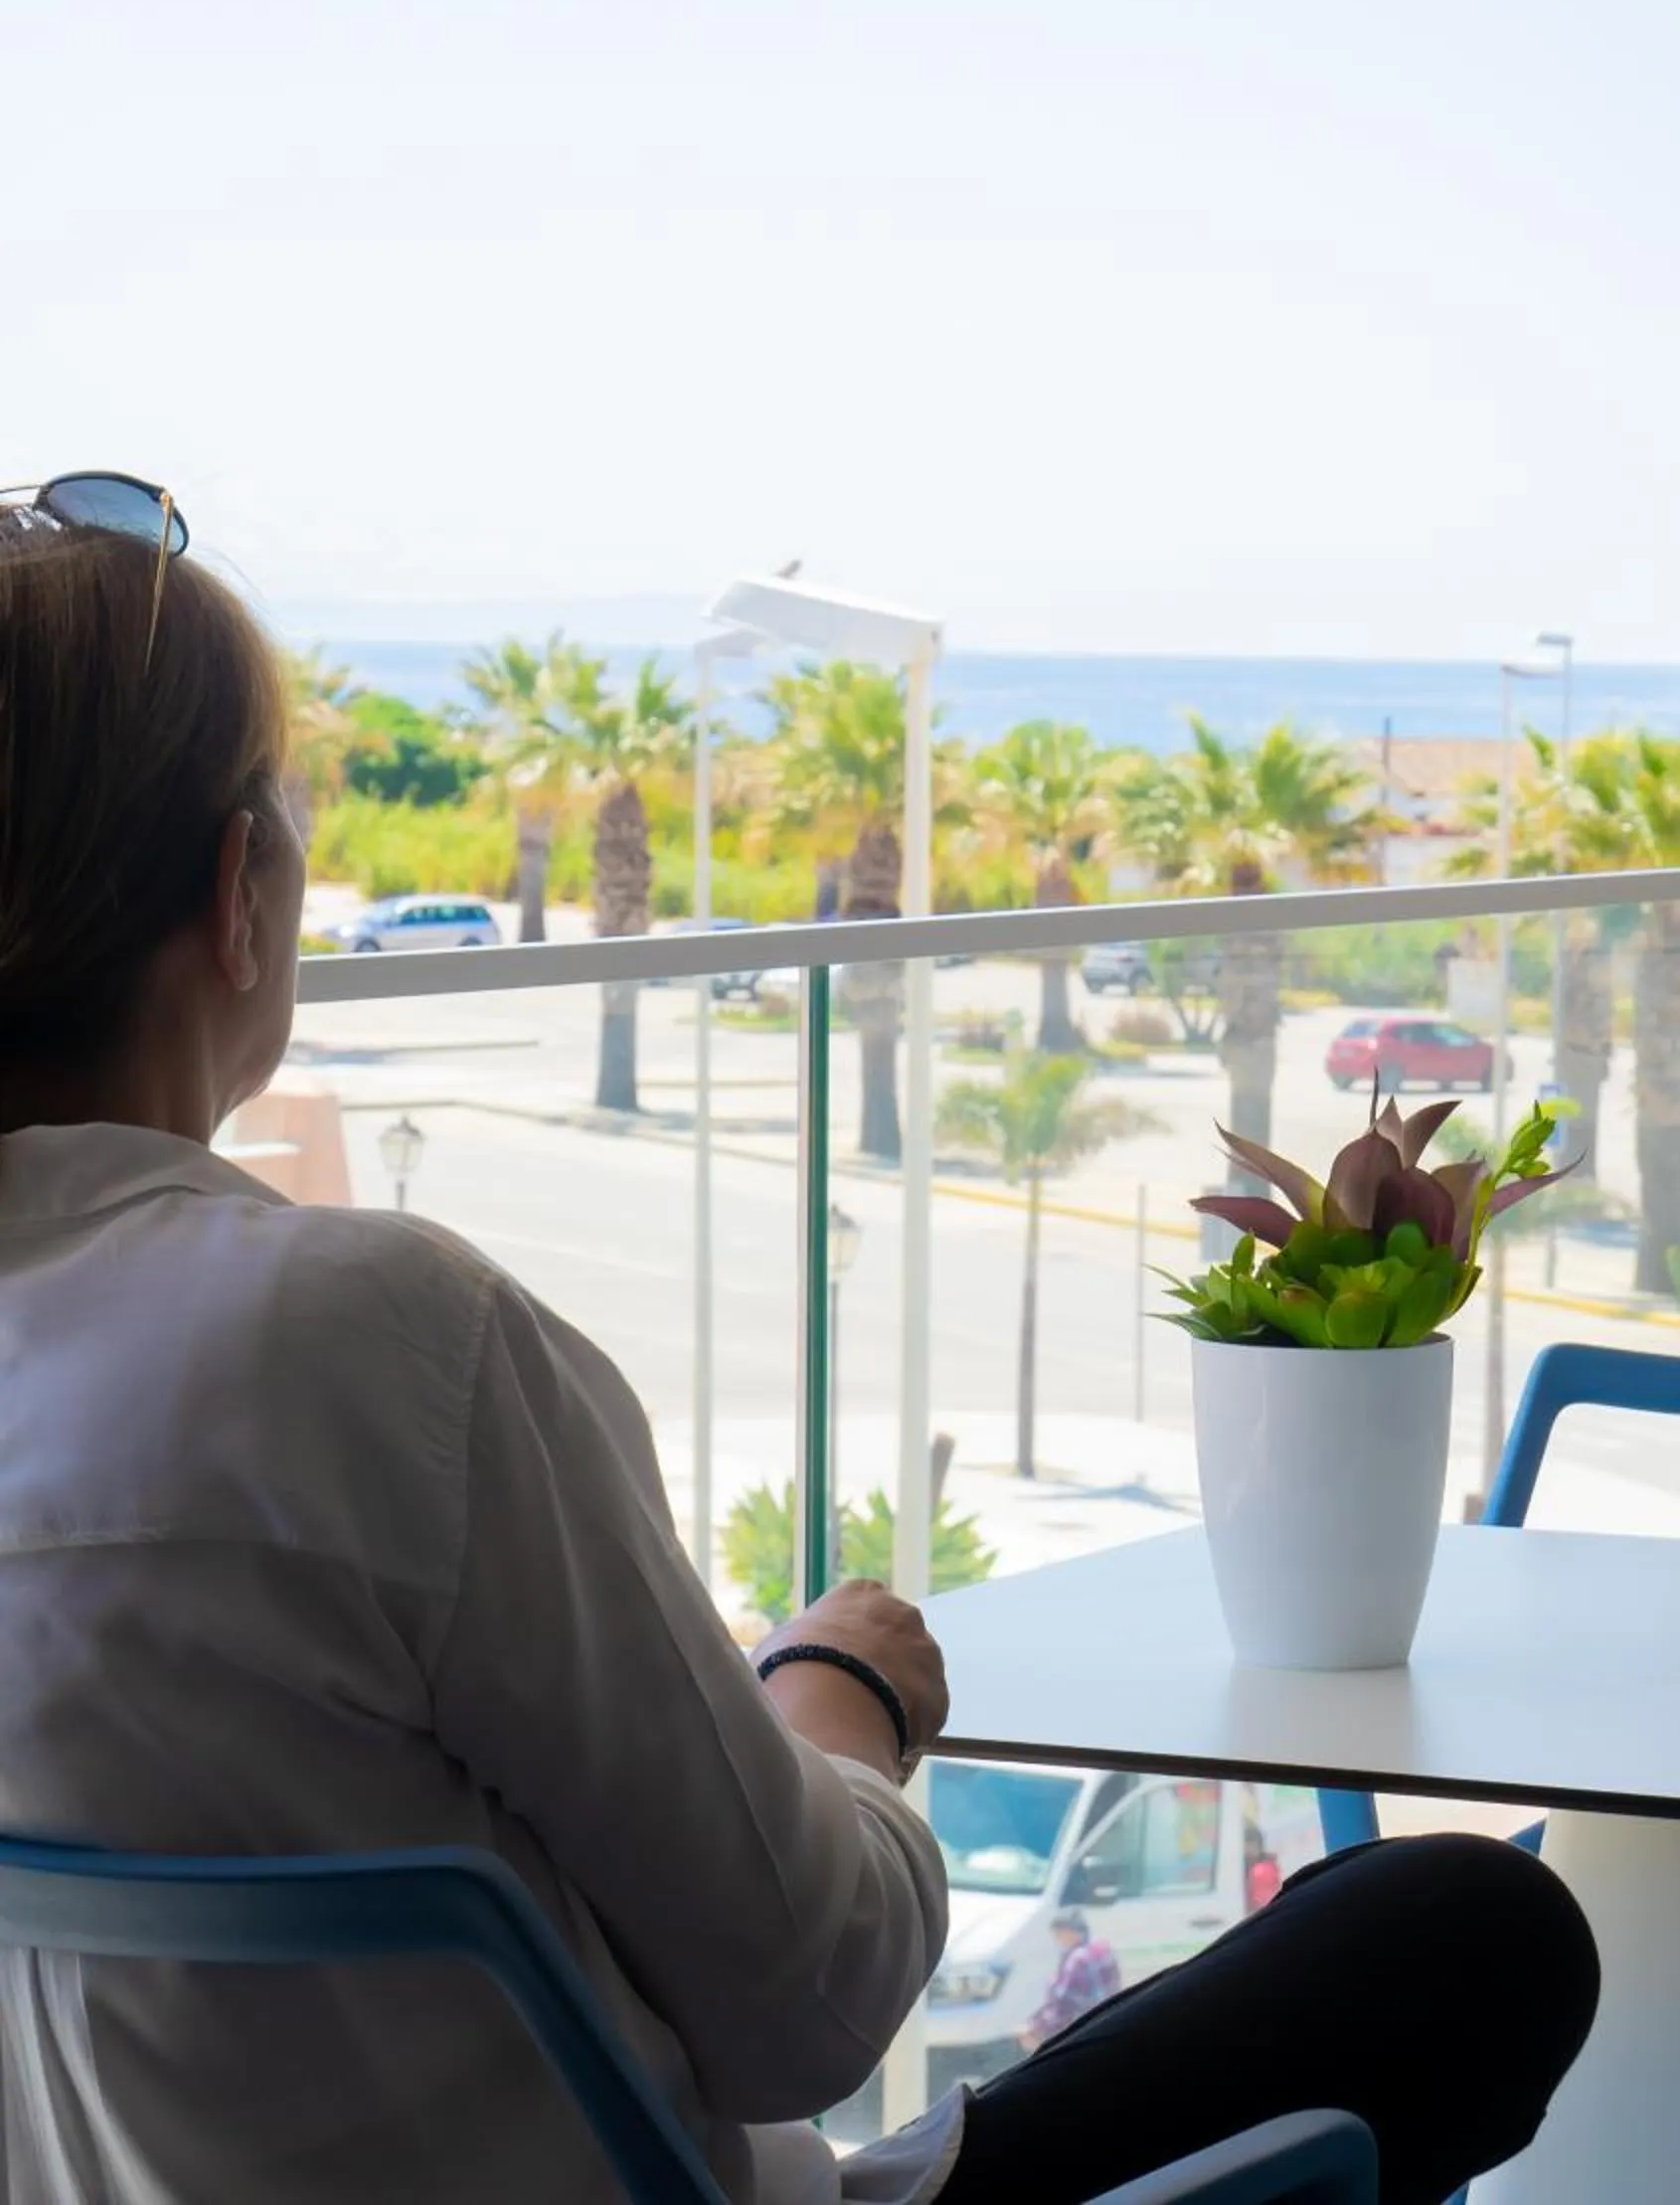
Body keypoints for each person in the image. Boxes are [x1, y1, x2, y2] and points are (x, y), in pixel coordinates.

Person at [0, 488, 1600, 2205]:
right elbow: (810, 1997)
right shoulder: (364, 1342)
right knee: (1467, 1931)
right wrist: (837, 1699)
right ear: (244, 892)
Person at [1020, 1915, 1121, 2051]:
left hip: (1079, 2030)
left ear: (1069, 1932)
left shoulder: (1077, 1959)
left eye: (1058, 1934)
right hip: (1107, 2020)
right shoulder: (1102, 1947)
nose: (1056, 1940)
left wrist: (1035, 2028)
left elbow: (1063, 2004)